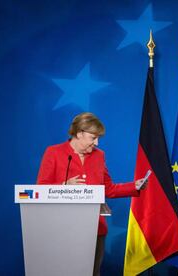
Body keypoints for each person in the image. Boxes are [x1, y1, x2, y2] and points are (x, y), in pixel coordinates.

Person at [36, 112, 147, 276]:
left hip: (95, 228)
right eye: (93, 137)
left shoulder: (99, 155)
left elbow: (108, 189)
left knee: (92, 272)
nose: (96, 143)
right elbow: (40, 189)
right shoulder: (53, 152)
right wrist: (64, 185)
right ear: (79, 133)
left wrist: (135, 186)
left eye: (98, 138)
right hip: (62, 229)